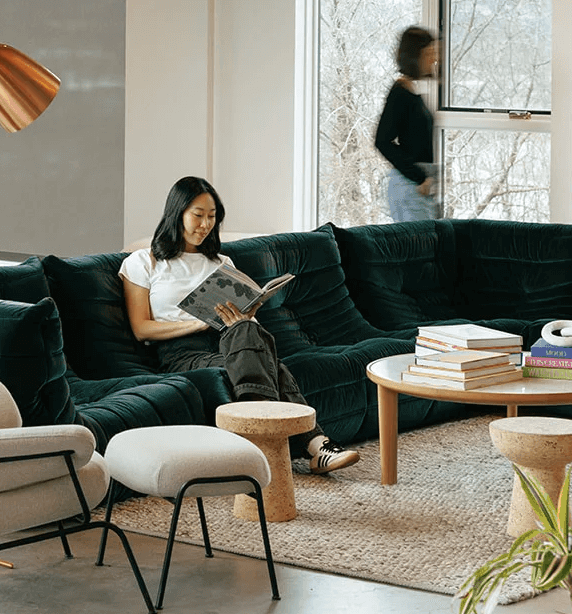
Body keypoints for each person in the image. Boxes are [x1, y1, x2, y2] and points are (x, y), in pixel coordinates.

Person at [119, 175, 359, 474]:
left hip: (229, 340)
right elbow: (142, 328)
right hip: (181, 352)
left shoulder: (222, 263)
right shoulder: (144, 262)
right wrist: (199, 324)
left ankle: (262, 436)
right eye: (198, 215)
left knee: (249, 333)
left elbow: (246, 327)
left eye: (212, 217)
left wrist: (245, 314)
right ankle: (317, 445)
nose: (205, 225)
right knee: (269, 363)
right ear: (176, 213)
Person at [375, 25, 440, 223]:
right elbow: (382, 141)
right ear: (415, 56)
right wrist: (419, 177)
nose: (434, 60)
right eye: (429, 53)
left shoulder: (411, 92)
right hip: (409, 187)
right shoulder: (400, 93)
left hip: (419, 188)